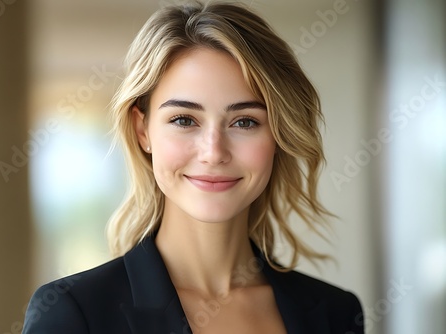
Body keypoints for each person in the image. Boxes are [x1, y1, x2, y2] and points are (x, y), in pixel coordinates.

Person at [22, 1, 364, 333]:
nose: (213, 153)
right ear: (143, 131)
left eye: (245, 122)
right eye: (184, 119)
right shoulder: (74, 314)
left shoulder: (336, 313)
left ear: (278, 134)